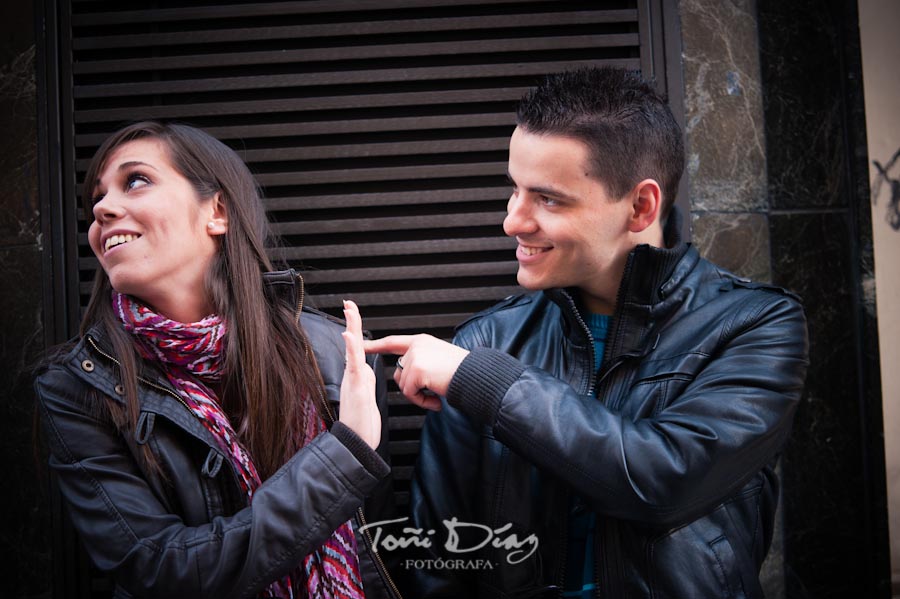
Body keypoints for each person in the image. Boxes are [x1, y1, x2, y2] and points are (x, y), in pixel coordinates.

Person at [364, 67, 809, 598]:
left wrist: (481, 382)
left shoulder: (753, 326)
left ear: (641, 206)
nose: (513, 221)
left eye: (548, 199)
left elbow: (662, 481)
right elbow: (441, 565)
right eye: (515, 190)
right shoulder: (485, 344)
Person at [34, 121, 402, 599]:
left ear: (218, 212)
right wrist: (343, 457)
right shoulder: (78, 387)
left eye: (136, 180)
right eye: (96, 200)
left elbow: (377, 551)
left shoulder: (334, 356)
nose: (102, 208)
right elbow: (161, 570)